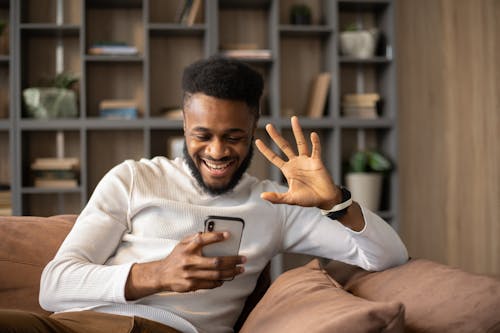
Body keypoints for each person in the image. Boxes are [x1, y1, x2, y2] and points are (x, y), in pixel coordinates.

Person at [0, 56, 408, 333]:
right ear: (183, 125)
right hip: (75, 325)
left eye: (233, 137)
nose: (217, 152)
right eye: (203, 135)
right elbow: (53, 287)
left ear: (253, 128)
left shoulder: (275, 205)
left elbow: (390, 257)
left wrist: (336, 201)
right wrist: (155, 274)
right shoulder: (133, 178)